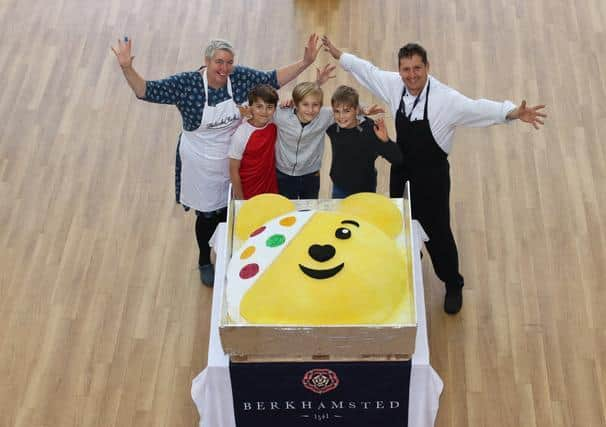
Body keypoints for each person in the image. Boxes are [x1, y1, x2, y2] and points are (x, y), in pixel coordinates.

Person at [322, 36, 546, 314]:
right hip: (401, 169)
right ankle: (409, 262)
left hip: (432, 176)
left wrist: (511, 112)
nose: (411, 75)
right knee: (400, 222)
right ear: (400, 70)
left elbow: (478, 108)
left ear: (427, 67)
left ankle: (453, 283)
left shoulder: (446, 100)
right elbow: (368, 72)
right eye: (406, 69)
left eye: (417, 68)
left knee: (438, 233)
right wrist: (339, 55)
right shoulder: (395, 85)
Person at [111, 34, 322, 287]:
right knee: (208, 215)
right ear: (207, 61)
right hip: (201, 161)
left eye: (229, 62)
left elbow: (272, 79)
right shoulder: (186, 85)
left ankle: (231, 252)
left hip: (235, 153)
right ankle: (204, 258)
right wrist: (127, 67)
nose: (224, 68)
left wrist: (306, 62)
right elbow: (145, 90)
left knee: (231, 211)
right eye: (219, 62)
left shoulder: (240, 78)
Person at [327, 85, 402, 198]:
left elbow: (397, 159)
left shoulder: (371, 129)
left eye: (347, 111)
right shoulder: (332, 128)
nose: (341, 116)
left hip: (365, 190)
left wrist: (386, 141)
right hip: (339, 188)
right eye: (337, 111)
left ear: (357, 110)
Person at [228, 84, 279, 200]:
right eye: (259, 106)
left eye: (269, 107)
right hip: (247, 192)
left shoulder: (274, 124)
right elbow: (233, 169)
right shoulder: (241, 134)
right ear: (250, 107)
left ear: (275, 109)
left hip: (270, 191)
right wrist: (240, 200)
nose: (264, 111)